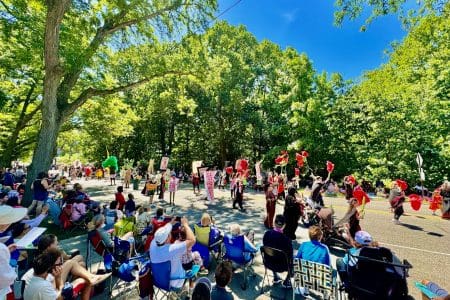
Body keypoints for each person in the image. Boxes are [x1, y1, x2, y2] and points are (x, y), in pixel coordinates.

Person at [23, 248, 94, 300]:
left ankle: (92, 280)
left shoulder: (36, 273)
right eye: (59, 264)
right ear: (50, 268)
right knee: (83, 281)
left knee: (81, 267)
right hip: (52, 295)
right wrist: (59, 278)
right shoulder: (43, 286)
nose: (60, 265)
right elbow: (60, 296)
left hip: (44, 294)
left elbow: (54, 289)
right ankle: (92, 281)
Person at [149, 217, 196, 289]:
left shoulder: (153, 243)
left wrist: (172, 222)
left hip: (157, 281)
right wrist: (186, 225)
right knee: (193, 267)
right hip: (174, 283)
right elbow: (192, 240)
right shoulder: (172, 249)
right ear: (167, 238)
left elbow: (164, 230)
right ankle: (191, 288)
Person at [262, 215, 293, 287]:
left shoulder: (267, 234)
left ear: (274, 223)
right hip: (282, 266)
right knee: (295, 261)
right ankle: (286, 281)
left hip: (268, 263)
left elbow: (265, 248)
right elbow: (290, 256)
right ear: (284, 225)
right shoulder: (287, 240)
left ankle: (275, 276)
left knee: (271, 254)